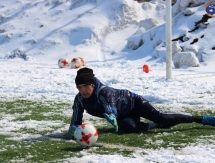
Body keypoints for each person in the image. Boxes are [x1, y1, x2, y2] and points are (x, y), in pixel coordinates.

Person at [67, 67, 215, 139]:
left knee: (161, 116)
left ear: (92, 84)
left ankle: (201, 119)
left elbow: (109, 105)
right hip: (124, 115)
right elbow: (76, 119)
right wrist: (73, 129)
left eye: (86, 86)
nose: (83, 90)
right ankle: (156, 125)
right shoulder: (79, 99)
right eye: (79, 87)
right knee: (127, 127)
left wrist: (111, 114)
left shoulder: (103, 92)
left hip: (135, 102)